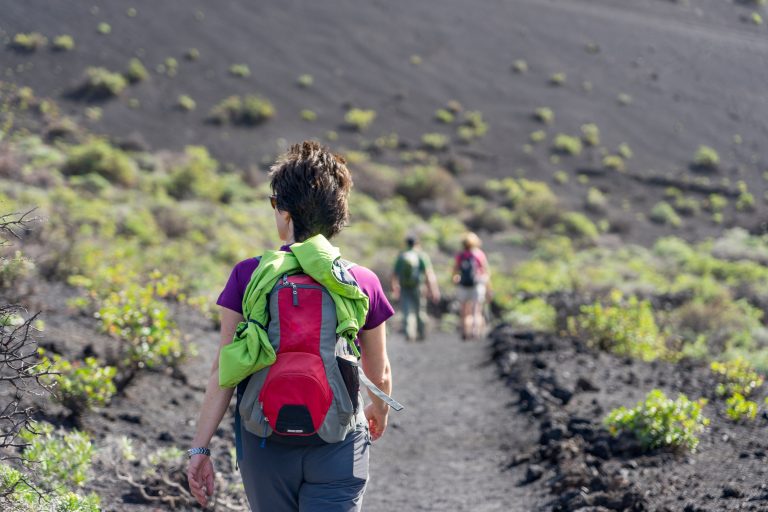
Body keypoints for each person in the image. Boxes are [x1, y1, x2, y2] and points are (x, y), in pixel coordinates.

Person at [187, 141, 395, 512]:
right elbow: (379, 373)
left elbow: (224, 368)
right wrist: (376, 413)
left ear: (282, 212)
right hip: (339, 441)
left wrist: (201, 449)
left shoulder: (247, 275)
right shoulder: (362, 281)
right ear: (338, 217)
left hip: (264, 442)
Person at [390, 236, 440, 341]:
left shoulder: (402, 256)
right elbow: (428, 274)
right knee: (420, 310)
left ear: (406, 244)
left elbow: (394, 274)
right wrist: (433, 290)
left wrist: (395, 288)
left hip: (404, 287)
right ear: (417, 244)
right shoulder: (421, 255)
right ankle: (421, 334)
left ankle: (409, 334)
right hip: (418, 287)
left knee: (407, 310)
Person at [452, 232, 490, 340]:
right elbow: (485, 271)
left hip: (463, 285)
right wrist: (487, 286)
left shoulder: (461, 255)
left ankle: (464, 331)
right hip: (476, 284)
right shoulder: (479, 254)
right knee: (476, 309)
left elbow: (455, 270)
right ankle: (475, 331)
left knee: (464, 309)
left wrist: (455, 280)